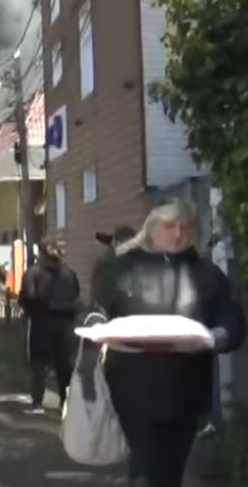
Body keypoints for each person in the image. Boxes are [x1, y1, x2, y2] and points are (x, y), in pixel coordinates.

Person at [79, 200, 245, 487]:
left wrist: (220, 335)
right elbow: (97, 308)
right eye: (170, 226)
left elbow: (230, 315)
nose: (178, 233)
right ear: (152, 229)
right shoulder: (122, 269)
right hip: (133, 386)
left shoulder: (206, 274)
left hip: (187, 388)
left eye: (185, 227)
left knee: (172, 466)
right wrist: (95, 325)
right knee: (144, 465)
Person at [18, 237, 80, 414]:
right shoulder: (70, 273)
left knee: (38, 364)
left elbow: (27, 298)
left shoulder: (33, 273)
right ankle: (65, 402)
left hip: (40, 323)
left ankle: (37, 403)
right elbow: (76, 296)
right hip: (65, 325)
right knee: (64, 365)